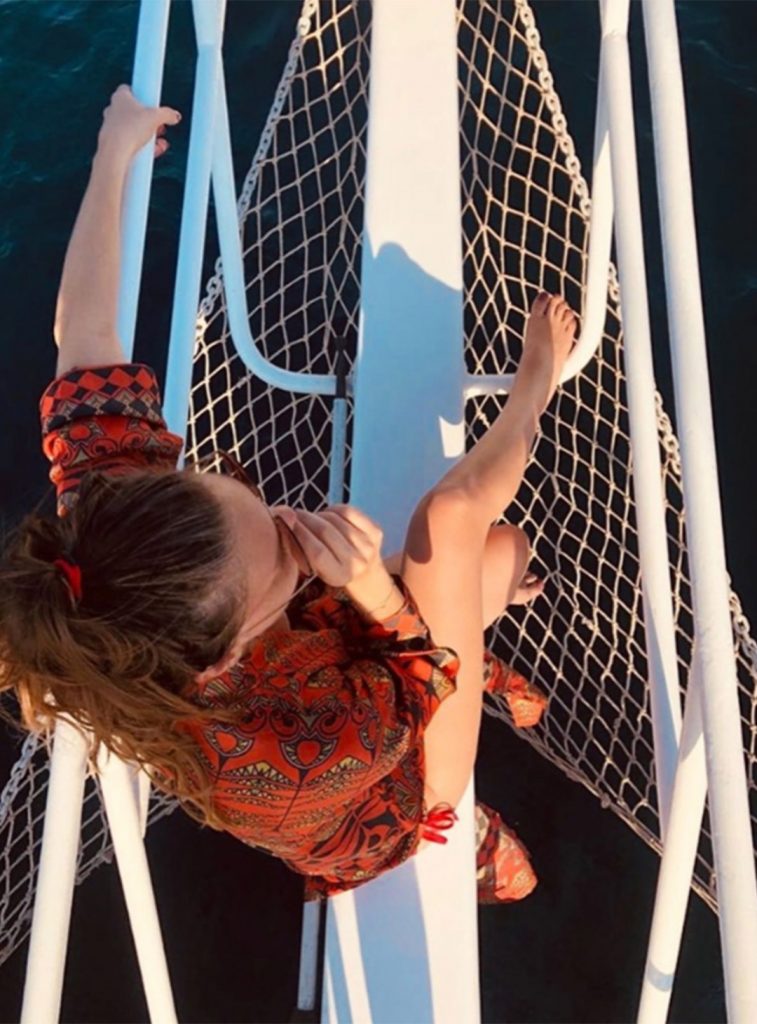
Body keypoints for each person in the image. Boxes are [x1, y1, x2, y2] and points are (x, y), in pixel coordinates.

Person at [0, 86, 577, 903]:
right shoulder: (280, 759)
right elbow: (421, 679)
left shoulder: (116, 528)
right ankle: (466, 829)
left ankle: (488, 612)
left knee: (494, 559)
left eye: (221, 494)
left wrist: (114, 153)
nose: (285, 521)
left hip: (328, 665)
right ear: (231, 649)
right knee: (459, 531)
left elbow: (84, 331)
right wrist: (372, 587)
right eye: (278, 551)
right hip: (385, 787)